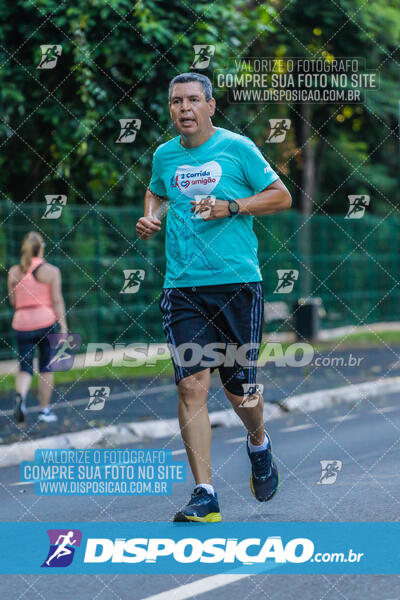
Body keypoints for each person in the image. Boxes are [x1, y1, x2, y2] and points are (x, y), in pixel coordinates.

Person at [136, 72, 292, 522]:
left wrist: (232, 206)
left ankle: (259, 442)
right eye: (175, 101)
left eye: (191, 100)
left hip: (237, 283)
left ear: (210, 106)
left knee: (240, 388)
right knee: (191, 384)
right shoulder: (165, 155)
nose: (183, 108)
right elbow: (156, 190)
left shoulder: (238, 148)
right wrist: (151, 217)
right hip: (183, 286)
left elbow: (280, 196)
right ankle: (205, 495)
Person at [7, 231, 68, 423]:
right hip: (45, 322)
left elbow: (13, 302)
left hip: (21, 323)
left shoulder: (14, 272)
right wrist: (63, 325)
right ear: (41, 249)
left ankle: (21, 398)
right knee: (46, 366)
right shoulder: (51, 271)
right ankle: (44, 410)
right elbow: (57, 300)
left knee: (25, 366)